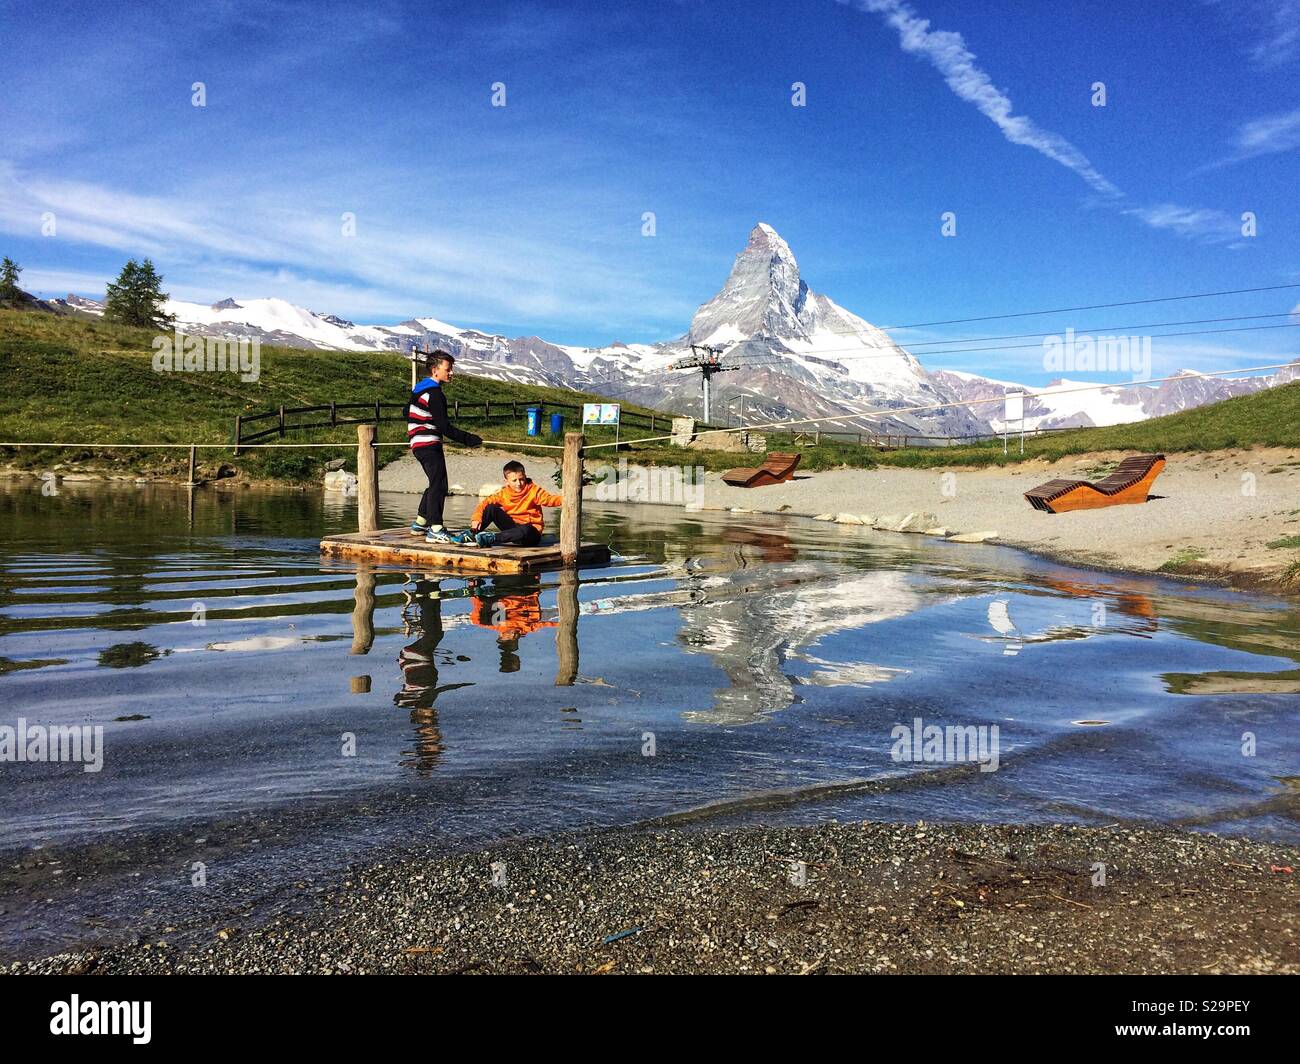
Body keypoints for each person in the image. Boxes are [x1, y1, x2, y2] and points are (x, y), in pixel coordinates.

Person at [406, 349, 482, 543]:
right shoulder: (435, 394)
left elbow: (405, 410)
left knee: (435, 482)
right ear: (434, 370)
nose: (451, 373)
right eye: (448, 369)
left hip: (417, 443)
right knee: (440, 484)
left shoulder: (419, 390)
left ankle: (420, 523)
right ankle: (436, 529)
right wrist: (469, 439)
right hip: (428, 443)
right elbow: (443, 426)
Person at [468, 460, 563, 547]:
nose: (519, 483)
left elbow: (550, 500)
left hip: (530, 535)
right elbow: (484, 503)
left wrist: (566, 498)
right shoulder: (503, 494)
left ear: (525, 477)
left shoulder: (534, 491)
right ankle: (472, 534)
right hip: (512, 530)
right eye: (514, 480)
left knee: (526, 529)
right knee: (490, 508)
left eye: (521, 479)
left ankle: (491, 538)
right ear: (506, 482)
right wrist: (476, 519)